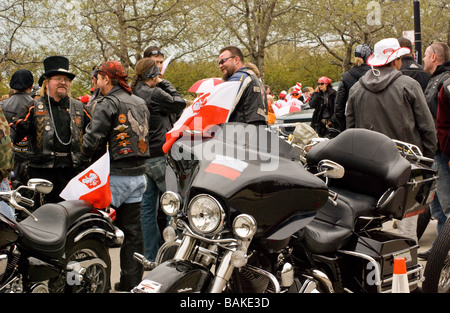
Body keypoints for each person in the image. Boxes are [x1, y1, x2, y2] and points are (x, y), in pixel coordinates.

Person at [347, 38, 437, 243]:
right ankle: (405, 269)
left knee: (368, 225)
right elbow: (427, 128)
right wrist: (426, 160)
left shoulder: (356, 89)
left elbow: (350, 132)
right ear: (396, 60)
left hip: (368, 166)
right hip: (406, 164)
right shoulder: (409, 85)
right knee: (407, 228)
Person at [81, 60, 150, 291]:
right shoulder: (140, 102)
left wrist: (79, 164)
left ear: (106, 79)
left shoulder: (106, 102)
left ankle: (102, 284)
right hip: (139, 177)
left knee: (99, 233)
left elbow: (93, 140)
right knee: (133, 234)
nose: (96, 82)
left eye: (98, 77)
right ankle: (132, 283)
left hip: (114, 178)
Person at [10, 56, 91, 205]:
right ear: (47, 83)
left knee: (71, 217)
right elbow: (12, 133)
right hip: (41, 174)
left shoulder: (80, 108)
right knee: (42, 218)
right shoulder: (33, 107)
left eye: (66, 79)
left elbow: (96, 136)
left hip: (72, 174)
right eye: (58, 78)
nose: (63, 82)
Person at [131, 57, 186, 262]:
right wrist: (164, 83)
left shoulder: (132, 91)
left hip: (141, 156)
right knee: (174, 206)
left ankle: (150, 256)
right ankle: (174, 255)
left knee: (147, 209)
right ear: (153, 76)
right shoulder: (154, 92)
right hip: (159, 155)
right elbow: (178, 102)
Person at [418, 42, 450, 259]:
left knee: (447, 207)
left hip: (441, 152)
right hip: (433, 152)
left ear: (435, 57)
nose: (423, 59)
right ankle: (440, 249)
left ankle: (444, 253)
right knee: (438, 208)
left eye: (426, 55)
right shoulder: (434, 80)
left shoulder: (445, 81)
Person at [218, 46, 267, 125]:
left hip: (242, 132)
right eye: (219, 63)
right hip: (257, 131)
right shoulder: (255, 79)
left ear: (236, 60)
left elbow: (223, 110)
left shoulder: (239, 78)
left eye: (223, 61)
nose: (220, 65)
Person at [1, 69, 34, 185]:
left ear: (12, 86)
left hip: (8, 158)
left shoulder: (2, 105)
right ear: (31, 86)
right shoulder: (36, 106)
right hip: (30, 159)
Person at [334, 44, 372, 131]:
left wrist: (344, 126)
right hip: (375, 122)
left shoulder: (346, 77)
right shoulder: (377, 74)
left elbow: (338, 107)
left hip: (354, 123)